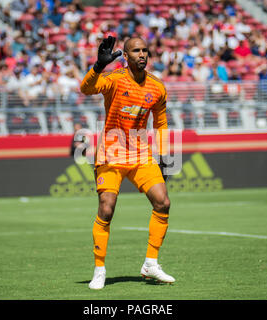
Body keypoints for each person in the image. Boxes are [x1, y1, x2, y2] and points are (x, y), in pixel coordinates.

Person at [80, 36, 175, 290]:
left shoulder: (157, 87)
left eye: (145, 50)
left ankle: (150, 264)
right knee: (107, 209)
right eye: (136, 51)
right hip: (111, 152)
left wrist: (165, 156)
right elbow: (86, 88)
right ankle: (99, 268)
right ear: (127, 56)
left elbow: (161, 122)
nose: (142, 54)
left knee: (163, 202)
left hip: (141, 154)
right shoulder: (114, 79)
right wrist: (98, 66)